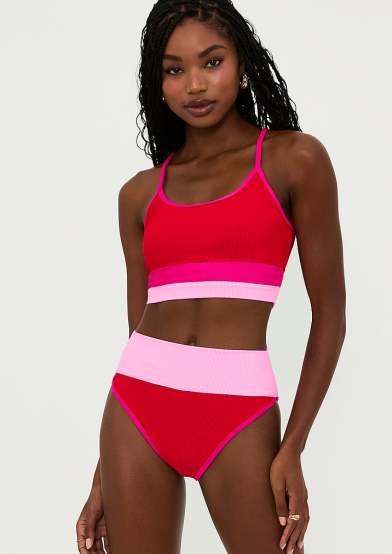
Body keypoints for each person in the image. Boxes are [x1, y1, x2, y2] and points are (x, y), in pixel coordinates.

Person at [75, 1, 346, 552]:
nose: (195, 85)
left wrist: (293, 446)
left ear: (242, 64)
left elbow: (330, 316)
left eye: (212, 62)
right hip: (137, 409)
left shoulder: (295, 160)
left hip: (237, 412)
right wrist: (105, 472)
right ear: (158, 83)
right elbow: (138, 324)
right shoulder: (140, 194)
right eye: (174, 69)